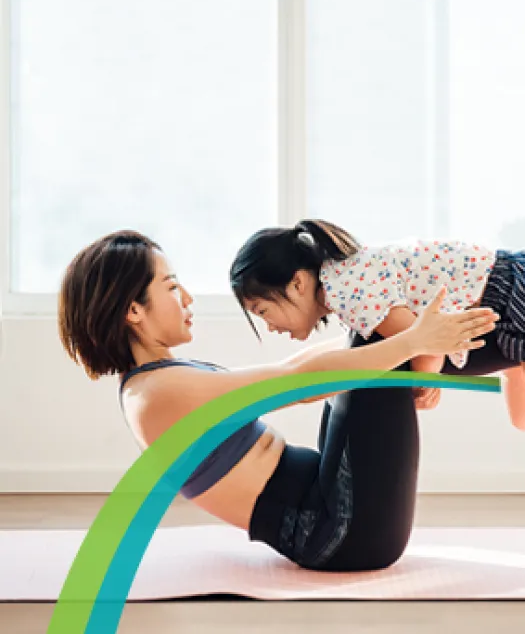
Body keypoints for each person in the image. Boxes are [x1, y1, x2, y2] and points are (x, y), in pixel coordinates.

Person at [57, 230, 498, 571]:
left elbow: (297, 366)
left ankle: (512, 328)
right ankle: (521, 331)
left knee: (376, 334)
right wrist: (414, 341)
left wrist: (406, 339)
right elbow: (298, 382)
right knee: (381, 337)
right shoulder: (156, 394)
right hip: (342, 532)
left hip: (340, 514)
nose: (187, 298)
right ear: (133, 310)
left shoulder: (160, 379)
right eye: (171, 287)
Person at [229, 219, 525, 441]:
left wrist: (427, 377)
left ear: (297, 283)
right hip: (519, 289)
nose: (270, 326)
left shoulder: (347, 289)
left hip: (517, 297)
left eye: (263, 310)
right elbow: (423, 331)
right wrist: (428, 368)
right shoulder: (349, 274)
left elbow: (428, 333)